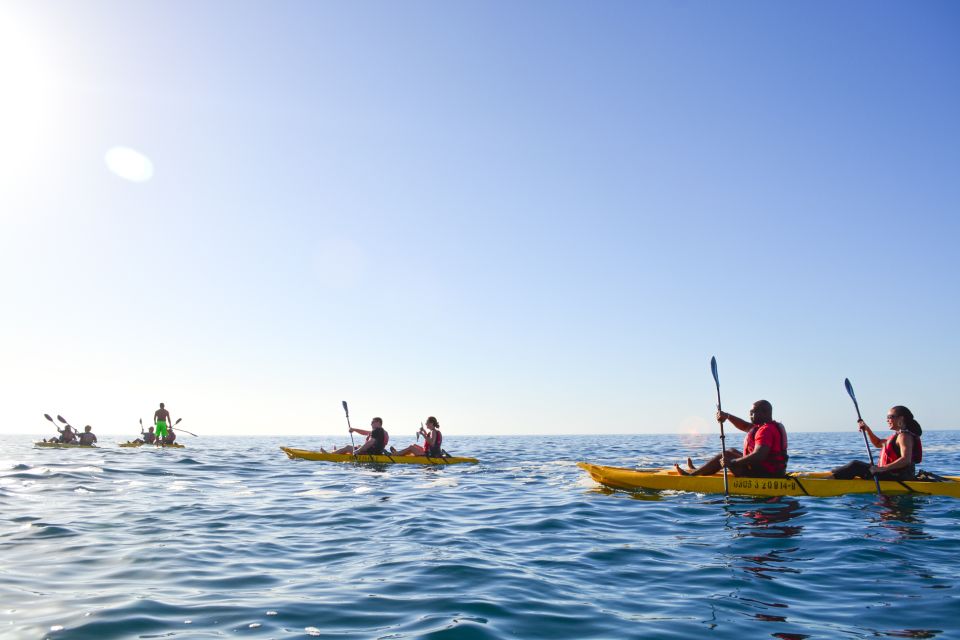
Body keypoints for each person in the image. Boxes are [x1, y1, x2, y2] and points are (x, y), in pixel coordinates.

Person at [676, 400, 788, 477]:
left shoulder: (766, 430)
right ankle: (698, 470)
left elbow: (759, 455)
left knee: (727, 455)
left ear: (764, 413)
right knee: (731, 451)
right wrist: (727, 416)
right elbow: (745, 426)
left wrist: (732, 462)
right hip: (773, 471)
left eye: (752, 413)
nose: (750, 416)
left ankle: (691, 475)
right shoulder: (769, 426)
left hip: (765, 475)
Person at [829, 406, 922, 480]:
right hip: (891, 473)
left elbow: (906, 460)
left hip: (898, 476)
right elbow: (878, 443)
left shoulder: (904, 436)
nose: (887, 420)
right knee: (843, 469)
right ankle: (833, 475)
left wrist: (882, 469)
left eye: (890, 417)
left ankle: (829, 480)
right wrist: (867, 429)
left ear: (901, 418)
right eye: (887, 417)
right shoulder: (898, 435)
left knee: (855, 465)